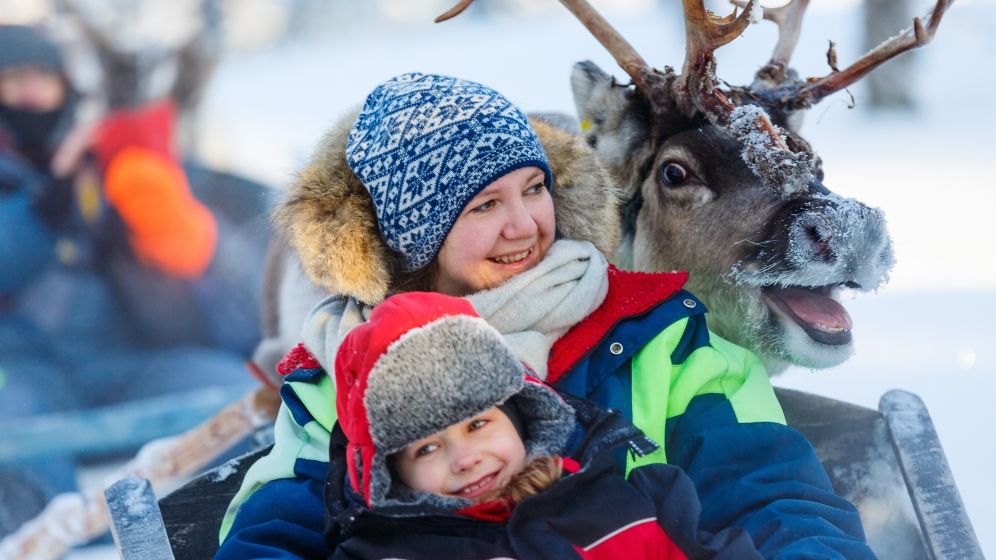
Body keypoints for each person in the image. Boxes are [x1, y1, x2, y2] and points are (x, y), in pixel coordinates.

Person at [218, 72, 876, 559]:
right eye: (484, 207)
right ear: (415, 238)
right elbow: (273, 531)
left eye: (534, 190)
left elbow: (773, 496)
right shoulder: (343, 374)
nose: (523, 226)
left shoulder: (658, 339)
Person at [0, 24, 261, 536]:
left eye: (42, 79)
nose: (31, 94)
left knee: (238, 395)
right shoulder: (39, 183)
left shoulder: (105, 159)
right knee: (17, 454)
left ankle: (222, 533)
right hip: (23, 374)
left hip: (127, 365)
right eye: (13, 80)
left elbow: (214, 265)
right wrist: (42, 213)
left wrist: (152, 230)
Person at [319, 291, 764, 559]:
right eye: (427, 449)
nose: (466, 458)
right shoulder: (386, 554)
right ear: (391, 471)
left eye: (478, 424)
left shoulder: (626, 505)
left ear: (521, 416)